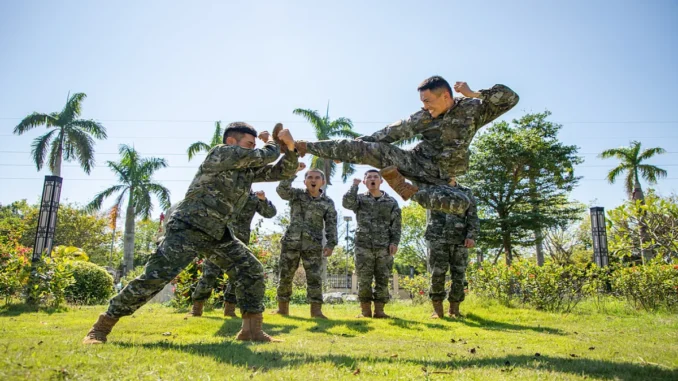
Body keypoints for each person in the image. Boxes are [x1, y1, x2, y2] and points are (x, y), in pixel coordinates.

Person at [83, 122, 298, 344]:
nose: (253, 149)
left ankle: (252, 331)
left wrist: (290, 149)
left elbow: (282, 171)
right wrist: (271, 141)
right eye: (249, 144)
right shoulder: (221, 153)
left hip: (217, 232)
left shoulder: (245, 169)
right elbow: (267, 155)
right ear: (231, 141)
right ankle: (101, 327)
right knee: (155, 277)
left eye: (254, 145)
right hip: (189, 226)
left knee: (250, 269)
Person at [294, 76, 518, 214]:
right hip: (416, 163)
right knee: (375, 149)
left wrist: (474, 93)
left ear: (446, 96)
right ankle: (303, 145)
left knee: (461, 203)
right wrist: (348, 152)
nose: (425, 107)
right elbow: (386, 135)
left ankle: (405, 189)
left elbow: (510, 98)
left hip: (438, 179)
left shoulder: (472, 109)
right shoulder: (423, 117)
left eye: (428, 101)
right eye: (422, 102)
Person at [189, 189, 278, 318]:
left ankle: (229, 310)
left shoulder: (254, 197)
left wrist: (263, 200)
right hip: (219, 239)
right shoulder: (225, 192)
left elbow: (270, 213)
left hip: (239, 243)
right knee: (209, 273)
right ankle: (196, 308)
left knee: (237, 276)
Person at [273, 169, 338, 319]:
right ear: (304, 182)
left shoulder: (327, 202)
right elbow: (281, 190)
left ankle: (316, 311)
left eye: (316, 178)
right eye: (309, 177)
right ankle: (282, 309)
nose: (313, 180)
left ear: (323, 182)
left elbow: (331, 224)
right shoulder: (296, 195)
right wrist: (292, 172)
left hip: (313, 245)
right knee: (285, 275)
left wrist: (331, 244)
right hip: (291, 242)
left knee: (315, 278)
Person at [342, 169, 401, 318]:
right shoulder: (360, 199)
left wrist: (394, 242)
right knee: (364, 279)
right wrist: (354, 186)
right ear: (364, 182)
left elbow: (397, 224)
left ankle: (380, 311)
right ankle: (365, 311)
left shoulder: (391, 202)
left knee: (382, 279)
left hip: (384, 247)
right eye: (369, 177)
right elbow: (347, 203)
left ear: (381, 181)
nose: (372, 179)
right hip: (363, 246)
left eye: (375, 177)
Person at [426, 178, 478, 319]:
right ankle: (437, 310)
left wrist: (471, 236)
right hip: (437, 237)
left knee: (459, 275)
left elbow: (472, 216)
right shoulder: (433, 188)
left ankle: (454, 310)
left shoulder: (466, 192)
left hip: (460, 238)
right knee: (437, 274)